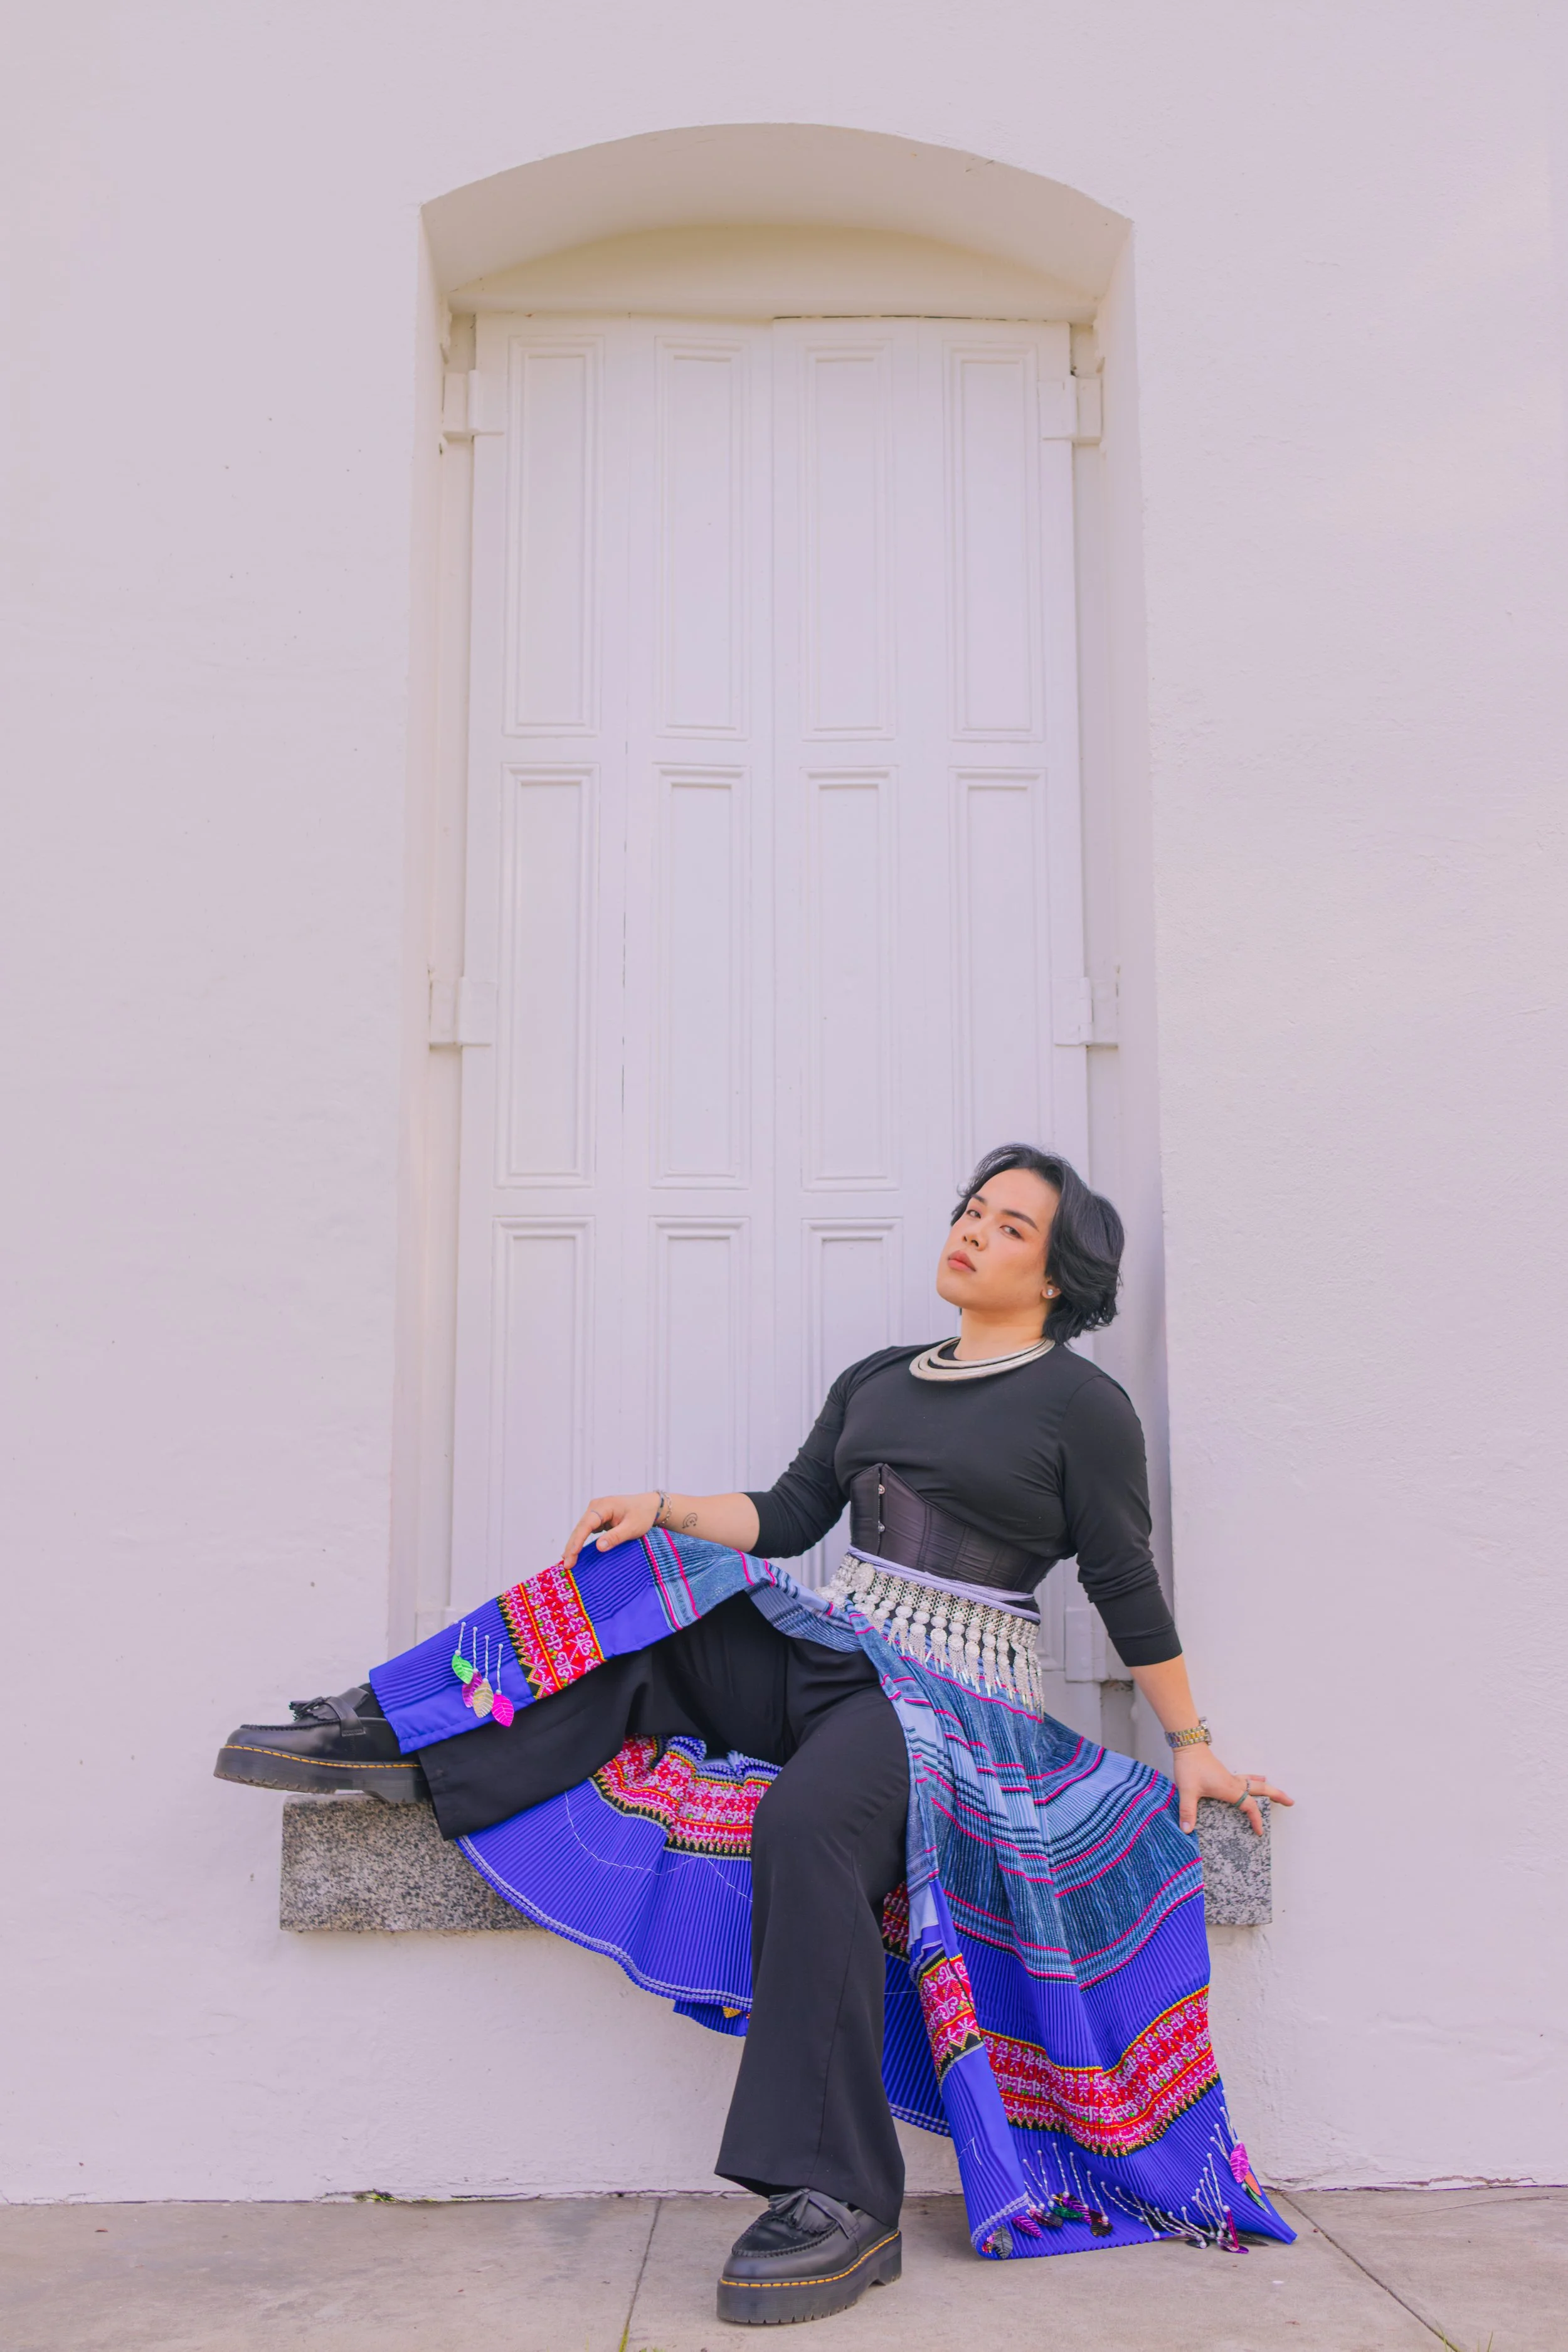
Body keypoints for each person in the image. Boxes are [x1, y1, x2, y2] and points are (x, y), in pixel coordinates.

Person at [216, 1145, 1293, 2325]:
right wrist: (663, 1505)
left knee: (806, 1825)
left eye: (1010, 1227)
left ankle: (841, 2197)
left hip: (948, 1705)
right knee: (652, 1582)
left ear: (1055, 1276)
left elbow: (1124, 1579)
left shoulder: (1081, 1407)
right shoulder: (879, 1378)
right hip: (835, 1646)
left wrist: (1191, 1738)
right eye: (972, 1209)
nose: (973, 1231)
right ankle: (412, 1724)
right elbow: (788, 1516)